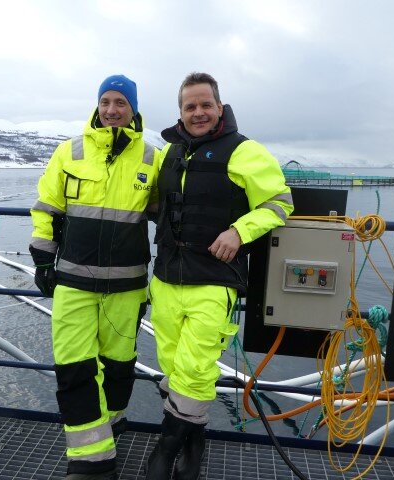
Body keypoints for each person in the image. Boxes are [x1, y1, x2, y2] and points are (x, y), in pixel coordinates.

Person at [145, 72, 294, 480]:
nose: (198, 113)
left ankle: (167, 446)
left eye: (205, 104)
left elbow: (280, 204)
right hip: (165, 279)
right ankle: (195, 441)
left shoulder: (245, 151)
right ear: (180, 111)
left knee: (196, 367)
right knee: (173, 365)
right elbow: (152, 201)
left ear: (219, 106)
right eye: (190, 106)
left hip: (214, 280)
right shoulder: (168, 153)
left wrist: (238, 231)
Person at [29, 74, 159, 480]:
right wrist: (43, 261)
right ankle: (91, 460)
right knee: (74, 366)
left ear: (134, 109)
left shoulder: (153, 159)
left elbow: (175, 214)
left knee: (119, 366)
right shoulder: (69, 151)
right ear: (97, 105)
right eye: (106, 101)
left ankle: (111, 426)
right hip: (73, 282)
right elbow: (47, 207)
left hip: (127, 285)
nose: (112, 110)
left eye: (121, 102)